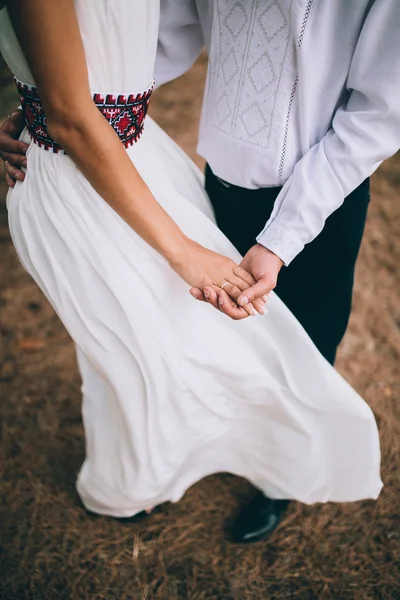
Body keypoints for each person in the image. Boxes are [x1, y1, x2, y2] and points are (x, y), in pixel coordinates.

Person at [0, 0, 382, 546]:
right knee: (189, 340)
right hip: (215, 178)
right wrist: (50, 105)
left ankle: (283, 474)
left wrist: (280, 239)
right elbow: (168, 35)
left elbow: (376, 113)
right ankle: (183, 453)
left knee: (302, 339)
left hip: (318, 195)